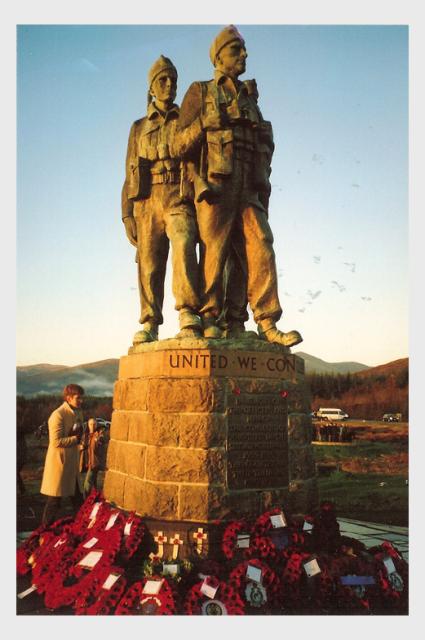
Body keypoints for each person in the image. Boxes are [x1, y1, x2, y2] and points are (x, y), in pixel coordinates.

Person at [174, 25, 302, 346]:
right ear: (219, 56)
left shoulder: (249, 96)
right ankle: (210, 317)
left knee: (260, 246)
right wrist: (204, 123)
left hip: (249, 183)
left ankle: (265, 320)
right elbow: (177, 145)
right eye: (236, 50)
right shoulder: (200, 91)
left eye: (243, 50)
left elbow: (264, 142)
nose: (243, 55)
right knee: (214, 252)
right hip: (217, 184)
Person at [122, 55, 201, 344]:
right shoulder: (138, 126)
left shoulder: (186, 118)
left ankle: (188, 312)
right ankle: (150, 321)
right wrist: (126, 214)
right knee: (149, 262)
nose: (169, 85)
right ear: (152, 87)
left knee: (183, 242)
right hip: (147, 200)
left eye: (173, 80)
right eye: (163, 80)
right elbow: (128, 172)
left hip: (177, 195)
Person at [40, 384, 85, 526]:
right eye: (78, 398)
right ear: (68, 398)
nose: (81, 401)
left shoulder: (78, 413)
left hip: (71, 465)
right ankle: (43, 533)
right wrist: (76, 439)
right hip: (60, 465)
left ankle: (84, 531)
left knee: (79, 502)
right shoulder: (57, 415)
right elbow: (55, 441)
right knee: (54, 501)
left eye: (82, 398)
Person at [79, 417, 106, 499]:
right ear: (88, 425)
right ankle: (96, 499)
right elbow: (81, 445)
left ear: (96, 425)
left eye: (94, 424)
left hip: (94, 463)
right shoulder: (85, 436)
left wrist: (98, 440)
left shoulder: (98, 434)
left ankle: (85, 501)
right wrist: (80, 447)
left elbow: (101, 440)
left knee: (87, 483)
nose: (92, 426)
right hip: (87, 462)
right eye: (91, 424)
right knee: (94, 482)